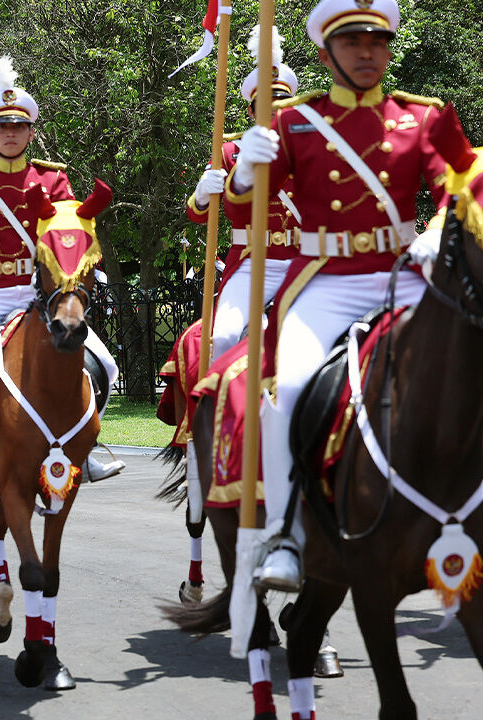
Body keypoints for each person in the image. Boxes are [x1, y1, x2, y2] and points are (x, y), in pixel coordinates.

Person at [224, 0, 448, 603]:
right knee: (290, 387)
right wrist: (245, 172)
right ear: (326, 54)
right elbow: (243, 210)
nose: (368, 53)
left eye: (377, 41)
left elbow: (465, 183)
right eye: (353, 43)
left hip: (406, 275)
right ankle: (283, 536)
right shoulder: (296, 124)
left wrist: (438, 228)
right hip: (326, 281)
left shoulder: (424, 119)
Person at [0, 56, 123, 493]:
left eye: (18, 127)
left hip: (38, 295)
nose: (10, 135)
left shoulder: (53, 182)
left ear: (30, 132)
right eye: (1, 128)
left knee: (105, 363)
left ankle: (82, 453)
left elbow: (71, 235)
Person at [186, 26, 302, 361]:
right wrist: (203, 194)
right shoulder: (230, 151)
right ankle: (220, 410)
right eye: (264, 105)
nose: (274, 111)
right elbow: (197, 215)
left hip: (302, 258)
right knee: (223, 337)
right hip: (251, 262)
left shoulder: (311, 147)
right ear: (251, 112)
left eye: (281, 104)